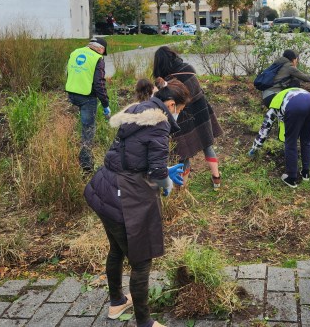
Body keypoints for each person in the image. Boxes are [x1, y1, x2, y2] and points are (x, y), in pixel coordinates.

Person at [84, 78, 189, 327]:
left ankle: (117, 302)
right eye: (180, 110)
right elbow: (156, 173)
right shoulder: (160, 125)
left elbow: (134, 153)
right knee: (141, 260)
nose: (178, 115)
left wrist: (162, 168)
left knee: (118, 249)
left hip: (103, 187)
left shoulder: (137, 110)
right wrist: (166, 182)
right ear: (171, 104)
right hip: (124, 195)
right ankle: (144, 322)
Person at [152, 46, 222, 189]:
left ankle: (183, 187)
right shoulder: (188, 68)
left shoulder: (167, 81)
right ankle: (216, 178)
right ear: (173, 55)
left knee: (184, 152)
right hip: (201, 110)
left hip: (183, 116)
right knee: (207, 144)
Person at [248, 87, 310, 188]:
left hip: (295, 106)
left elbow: (265, 128)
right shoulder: (286, 93)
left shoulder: (274, 107)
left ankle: (291, 177)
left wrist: (255, 147)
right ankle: (306, 173)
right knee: (307, 139)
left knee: (291, 141)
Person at [65, 37, 110, 172]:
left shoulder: (75, 52)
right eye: (103, 52)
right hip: (87, 98)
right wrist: (105, 104)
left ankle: (72, 151)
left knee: (82, 125)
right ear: (101, 49)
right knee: (88, 131)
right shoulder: (97, 58)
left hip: (72, 94)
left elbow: (70, 73)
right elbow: (99, 84)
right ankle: (86, 166)